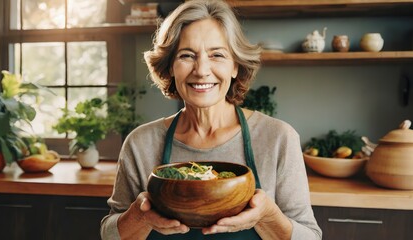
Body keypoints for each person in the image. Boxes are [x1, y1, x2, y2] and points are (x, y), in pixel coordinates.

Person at [100, 0, 322, 239]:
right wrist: (140, 216)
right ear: (170, 67)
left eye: (217, 55)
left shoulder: (278, 138)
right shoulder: (140, 143)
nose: (202, 70)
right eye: (187, 55)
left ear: (235, 66)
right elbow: (109, 234)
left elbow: (310, 236)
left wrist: (267, 216)